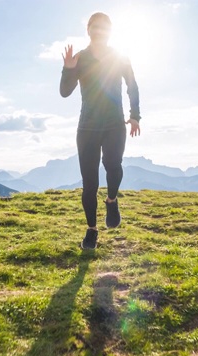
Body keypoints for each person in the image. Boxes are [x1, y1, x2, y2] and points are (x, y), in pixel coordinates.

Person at [59, 12, 141, 250]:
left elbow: (132, 86)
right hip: (87, 128)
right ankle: (92, 230)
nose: (99, 31)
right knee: (89, 183)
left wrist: (135, 116)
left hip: (115, 124)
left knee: (114, 167)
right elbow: (65, 92)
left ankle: (112, 200)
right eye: (95, 27)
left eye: (104, 28)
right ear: (89, 30)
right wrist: (68, 69)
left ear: (110, 31)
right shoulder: (80, 59)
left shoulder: (120, 57)